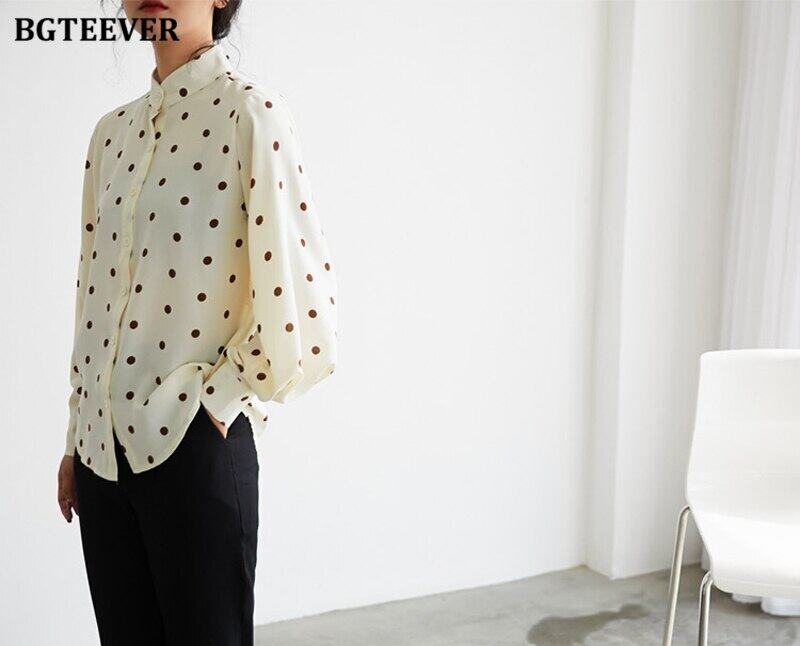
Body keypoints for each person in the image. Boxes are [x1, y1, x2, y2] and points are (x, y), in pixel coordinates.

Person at [55, 1, 338, 644]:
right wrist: (76, 434)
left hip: (194, 445)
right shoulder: (110, 135)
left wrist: (218, 400)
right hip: (101, 458)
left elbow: (305, 303)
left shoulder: (251, 115)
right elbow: (94, 296)